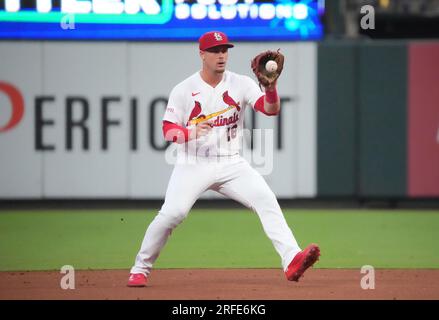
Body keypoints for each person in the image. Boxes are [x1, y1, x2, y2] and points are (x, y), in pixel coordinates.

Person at [127, 31, 320, 287]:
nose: (221, 55)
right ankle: (140, 269)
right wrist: (189, 132)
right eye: (215, 51)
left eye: (225, 50)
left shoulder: (240, 83)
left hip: (231, 161)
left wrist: (271, 88)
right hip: (193, 163)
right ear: (202, 54)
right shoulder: (185, 89)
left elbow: (269, 109)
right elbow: (168, 130)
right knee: (173, 213)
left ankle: (292, 260)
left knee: (266, 199)